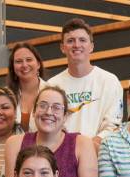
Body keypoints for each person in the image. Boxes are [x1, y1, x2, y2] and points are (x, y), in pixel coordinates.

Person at [4, 84, 97, 177]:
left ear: (65, 116)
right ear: (34, 112)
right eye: (42, 105)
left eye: (56, 108)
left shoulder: (82, 143)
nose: (48, 112)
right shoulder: (14, 143)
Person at [47, 18, 123, 148]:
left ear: (91, 46)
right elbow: (48, 125)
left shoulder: (110, 81)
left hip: (98, 154)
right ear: (62, 48)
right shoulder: (51, 85)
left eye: (82, 40)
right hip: (60, 153)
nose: (76, 45)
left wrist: (87, 149)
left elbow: (113, 126)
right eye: (70, 41)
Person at [6, 42, 47, 131]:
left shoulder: (52, 92)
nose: (24, 65)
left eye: (29, 60)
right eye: (18, 61)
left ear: (38, 64)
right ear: (13, 67)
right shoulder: (5, 95)